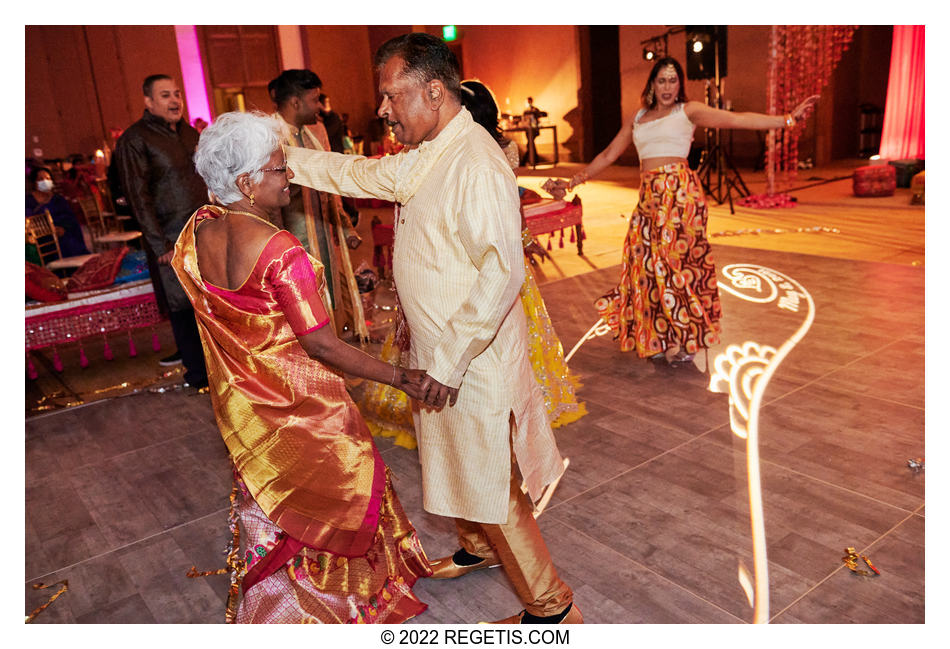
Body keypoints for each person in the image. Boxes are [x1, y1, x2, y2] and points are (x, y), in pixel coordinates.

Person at [286, 32, 581, 625]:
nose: (383, 110)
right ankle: (478, 549)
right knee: (455, 461)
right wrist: (284, 159)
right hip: (442, 353)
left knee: (491, 482)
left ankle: (553, 611)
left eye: (392, 97)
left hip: (469, 359)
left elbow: (502, 275)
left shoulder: (475, 161)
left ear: (434, 90)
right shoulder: (434, 150)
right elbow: (366, 177)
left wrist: (446, 365)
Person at [170, 111, 432, 624]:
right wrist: (402, 377)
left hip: (247, 409)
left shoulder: (197, 235)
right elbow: (324, 346)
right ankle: (332, 607)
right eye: (278, 169)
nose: (288, 177)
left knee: (274, 497)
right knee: (338, 491)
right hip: (306, 402)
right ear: (245, 182)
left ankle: (278, 607)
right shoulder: (279, 250)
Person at [568, 57, 819, 364]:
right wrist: (573, 182)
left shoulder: (688, 111)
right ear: (652, 84)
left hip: (680, 195)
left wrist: (787, 119)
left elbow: (736, 119)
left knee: (673, 262)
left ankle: (685, 336)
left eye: (673, 81)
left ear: (680, 85)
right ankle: (659, 334)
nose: (668, 87)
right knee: (645, 262)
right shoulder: (639, 117)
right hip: (649, 196)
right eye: (662, 80)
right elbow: (609, 153)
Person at [114, 74, 209, 385]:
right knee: (183, 306)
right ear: (149, 102)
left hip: (202, 230)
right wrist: (160, 246)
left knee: (210, 302)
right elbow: (137, 197)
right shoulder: (135, 139)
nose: (174, 101)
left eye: (177, 94)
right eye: (165, 95)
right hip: (169, 239)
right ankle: (198, 375)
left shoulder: (189, 134)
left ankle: (220, 369)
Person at [268, 70, 366, 339]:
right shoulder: (271, 138)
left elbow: (328, 189)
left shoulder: (313, 133)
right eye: (315, 100)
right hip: (292, 243)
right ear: (296, 103)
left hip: (322, 235)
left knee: (327, 298)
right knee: (302, 309)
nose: (320, 107)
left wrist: (345, 228)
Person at [26, 166, 90, 260]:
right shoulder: (28, 201)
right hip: (40, 239)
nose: (45, 181)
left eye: (48, 179)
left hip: (61, 235)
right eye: (41, 179)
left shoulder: (58, 200)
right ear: (34, 183)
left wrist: (63, 228)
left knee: (69, 243)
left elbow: (70, 219)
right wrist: (47, 230)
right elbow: (28, 222)